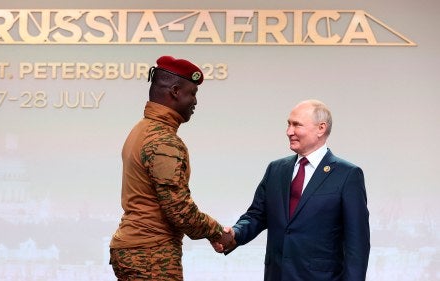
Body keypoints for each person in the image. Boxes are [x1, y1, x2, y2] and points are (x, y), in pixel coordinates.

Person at [214, 99, 370, 281]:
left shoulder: (347, 174)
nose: (289, 132)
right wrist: (235, 233)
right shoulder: (276, 169)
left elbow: (357, 243)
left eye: (297, 125)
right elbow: (256, 215)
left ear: (321, 128)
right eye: (288, 124)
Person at [109, 55, 233, 280]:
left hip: (136, 249)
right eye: (192, 94)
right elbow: (180, 211)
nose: (195, 102)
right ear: (175, 91)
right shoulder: (164, 141)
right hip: (151, 254)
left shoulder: (141, 129)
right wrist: (217, 232)